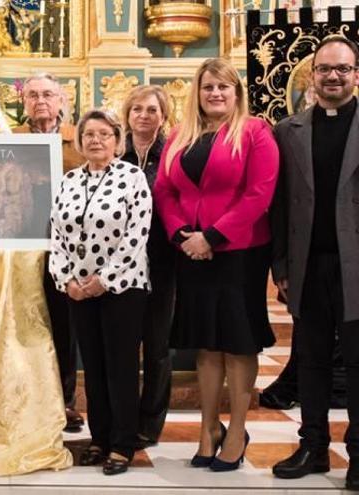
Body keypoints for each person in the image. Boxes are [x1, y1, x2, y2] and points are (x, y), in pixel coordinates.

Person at [154, 58, 279, 471]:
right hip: (191, 251)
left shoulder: (255, 132)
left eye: (224, 87)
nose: (216, 94)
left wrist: (212, 236)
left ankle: (238, 430)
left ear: (236, 92)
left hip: (239, 252)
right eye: (208, 87)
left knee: (237, 341)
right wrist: (182, 236)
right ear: (198, 92)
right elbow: (165, 192)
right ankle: (208, 430)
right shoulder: (179, 135)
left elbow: (259, 194)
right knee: (206, 343)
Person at [270, 35, 359, 491]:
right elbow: (280, 205)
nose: (332, 76)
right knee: (311, 360)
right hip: (308, 265)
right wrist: (280, 266)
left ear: (356, 75)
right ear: (312, 75)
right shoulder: (289, 131)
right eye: (324, 69)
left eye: (342, 69)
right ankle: (314, 446)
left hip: (357, 266)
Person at [49, 108, 152, 475]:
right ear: (79, 142)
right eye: (89, 135)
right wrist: (66, 281)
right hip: (78, 290)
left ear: (117, 141)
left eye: (104, 135)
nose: (96, 141)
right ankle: (100, 438)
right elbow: (56, 236)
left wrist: (103, 280)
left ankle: (123, 443)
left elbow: (136, 236)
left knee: (120, 367)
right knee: (91, 369)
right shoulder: (69, 180)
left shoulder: (133, 177)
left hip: (122, 287)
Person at [12, 72, 85, 432]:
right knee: (21, 325)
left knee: (63, 326)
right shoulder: (10, 140)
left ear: (61, 100)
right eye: (33, 95)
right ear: (23, 102)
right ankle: (22, 397)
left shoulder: (80, 140)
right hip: (21, 249)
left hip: (66, 250)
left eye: (48, 94)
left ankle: (65, 401)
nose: (41, 101)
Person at [120, 85, 176, 448]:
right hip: (119, 265)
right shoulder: (114, 152)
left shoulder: (174, 153)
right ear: (127, 114)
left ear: (163, 115)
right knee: (123, 344)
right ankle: (122, 418)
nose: (144, 115)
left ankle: (150, 423)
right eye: (137, 109)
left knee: (157, 346)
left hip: (161, 260)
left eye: (152, 110)